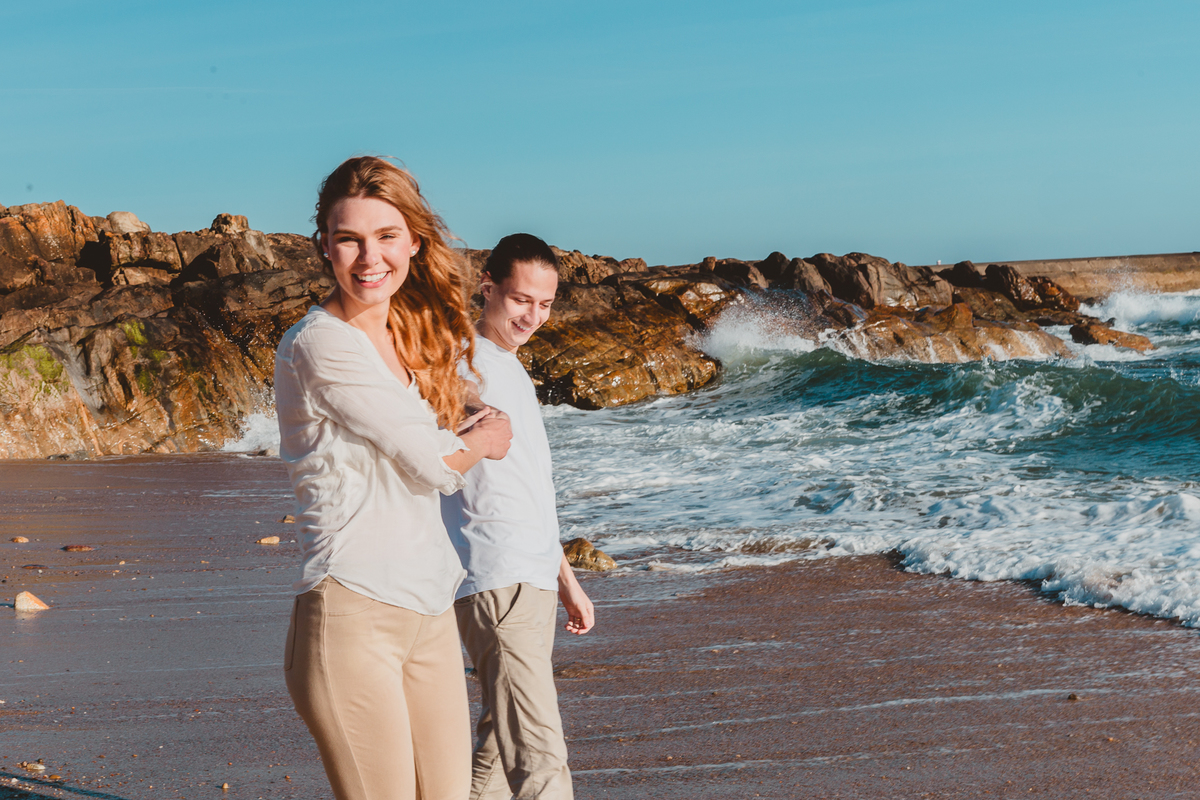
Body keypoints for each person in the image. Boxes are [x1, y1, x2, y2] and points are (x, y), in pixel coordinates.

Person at [274, 156, 512, 800]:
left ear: (414, 241)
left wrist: (465, 403)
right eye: (348, 238)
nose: (368, 256)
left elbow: (414, 403)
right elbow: (428, 462)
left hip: (429, 609)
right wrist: (483, 439)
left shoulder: (401, 335)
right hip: (351, 612)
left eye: (385, 236)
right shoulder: (317, 342)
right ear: (324, 246)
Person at [442, 233, 595, 800]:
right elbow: (428, 397)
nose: (533, 315)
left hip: (527, 578)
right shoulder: (461, 358)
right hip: (495, 573)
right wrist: (464, 403)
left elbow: (533, 492)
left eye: (546, 304)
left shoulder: (512, 369)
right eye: (521, 300)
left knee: (493, 750)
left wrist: (567, 582)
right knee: (540, 760)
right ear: (489, 290)